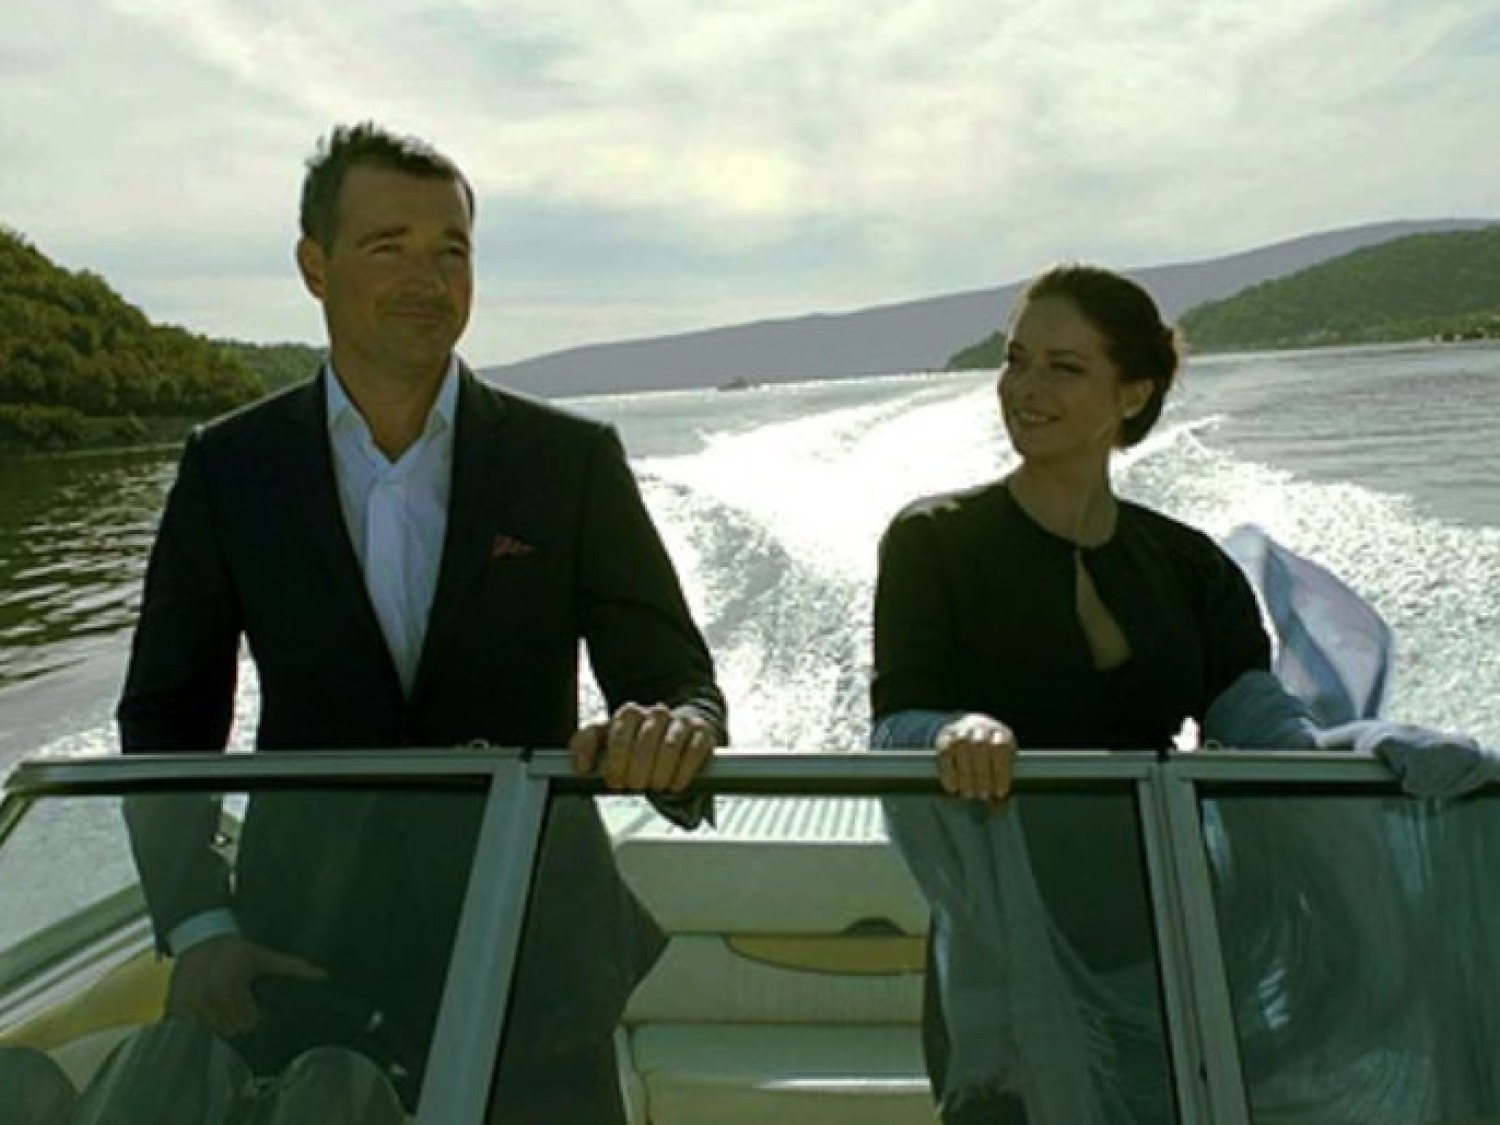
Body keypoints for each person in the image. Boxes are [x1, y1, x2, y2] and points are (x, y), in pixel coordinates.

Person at [108, 121, 728, 1124]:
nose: (427, 278)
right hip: (305, 953)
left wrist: (675, 727)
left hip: (537, 949)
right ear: (314, 266)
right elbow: (168, 717)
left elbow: (673, 676)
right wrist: (199, 923)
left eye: (451, 250)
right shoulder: (231, 468)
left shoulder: (568, 461)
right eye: (388, 246)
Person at [870, 264, 1271, 1122]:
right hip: (1001, 963)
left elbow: (1262, 717)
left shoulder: (1192, 565)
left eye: (1063, 366)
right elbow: (899, 718)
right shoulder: (932, 541)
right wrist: (955, 730)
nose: (1026, 388)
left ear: (1132, 393)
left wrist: (1374, 748)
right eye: (1016, 360)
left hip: (1169, 944)